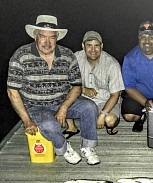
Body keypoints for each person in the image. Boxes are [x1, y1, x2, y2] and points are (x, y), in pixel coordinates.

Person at [7, 15, 101, 165]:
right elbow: (12, 92)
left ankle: (88, 147)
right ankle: (64, 147)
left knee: (90, 107)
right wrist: (26, 120)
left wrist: (64, 107)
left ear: (57, 37)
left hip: (62, 101)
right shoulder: (20, 56)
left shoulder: (67, 55)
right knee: (50, 126)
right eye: (43, 37)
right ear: (35, 36)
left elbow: (76, 86)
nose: (47, 42)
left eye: (52, 38)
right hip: (35, 107)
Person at [64, 31, 124, 138]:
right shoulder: (75, 58)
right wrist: (82, 89)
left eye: (96, 46)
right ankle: (71, 127)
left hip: (105, 100)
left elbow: (115, 95)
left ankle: (109, 126)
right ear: (83, 46)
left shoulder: (112, 64)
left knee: (109, 120)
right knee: (62, 96)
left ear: (102, 46)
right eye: (89, 46)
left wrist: (103, 114)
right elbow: (64, 81)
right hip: (83, 99)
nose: (93, 50)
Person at [121, 21, 153, 132]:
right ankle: (141, 116)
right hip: (142, 96)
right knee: (129, 116)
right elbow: (129, 87)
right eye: (143, 37)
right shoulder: (130, 58)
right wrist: (145, 102)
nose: (146, 41)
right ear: (138, 39)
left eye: (150, 37)